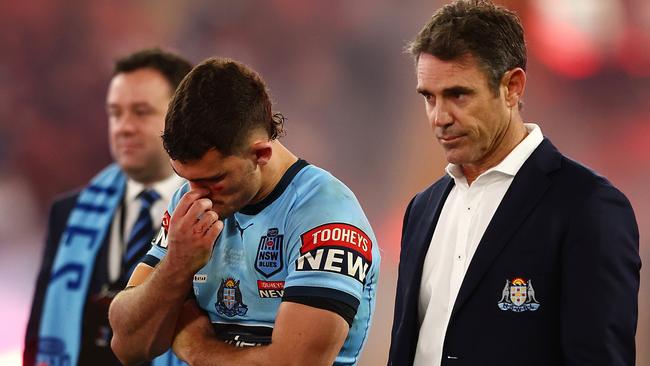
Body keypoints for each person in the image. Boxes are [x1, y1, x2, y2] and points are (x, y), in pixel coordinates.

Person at [388, 1, 641, 365]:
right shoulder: (422, 209)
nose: (439, 118)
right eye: (429, 97)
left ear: (513, 87)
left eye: (458, 94)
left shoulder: (588, 207)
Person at [108, 57, 380, 366]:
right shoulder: (190, 202)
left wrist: (196, 347)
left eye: (214, 179)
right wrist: (176, 266)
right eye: (186, 178)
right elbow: (128, 343)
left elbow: (293, 363)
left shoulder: (326, 214)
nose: (197, 195)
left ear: (260, 153)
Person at [24, 48, 193, 366]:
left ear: (185, 117)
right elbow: (36, 339)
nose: (124, 127)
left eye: (141, 111)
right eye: (116, 113)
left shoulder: (224, 215)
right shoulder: (68, 213)